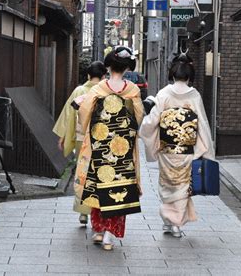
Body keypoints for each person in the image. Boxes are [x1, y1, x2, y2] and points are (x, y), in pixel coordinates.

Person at [139, 54, 215, 238]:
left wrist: (145, 128)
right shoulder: (194, 95)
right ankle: (175, 224)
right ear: (189, 77)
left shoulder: (163, 94)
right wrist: (207, 148)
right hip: (188, 148)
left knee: (167, 184)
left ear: (173, 75)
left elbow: (152, 122)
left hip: (167, 148)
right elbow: (202, 123)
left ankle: (168, 220)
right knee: (182, 185)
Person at [75, 46, 144, 250]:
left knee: (98, 184)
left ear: (109, 66)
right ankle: (108, 236)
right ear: (126, 68)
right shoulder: (133, 90)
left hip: (99, 144)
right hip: (122, 146)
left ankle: (97, 230)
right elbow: (138, 116)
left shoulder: (98, 89)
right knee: (119, 186)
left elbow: (85, 113)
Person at [53, 61, 107, 225]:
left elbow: (69, 115)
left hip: (80, 138)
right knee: (98, 175)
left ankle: (83, 213)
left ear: (89, 75)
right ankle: (97, 210)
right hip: (100, 139)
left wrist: (63, 136)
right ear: (104, 76)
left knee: (82, 175)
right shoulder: (105, 92)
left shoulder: (80, 91)